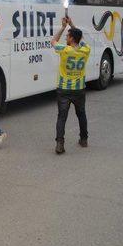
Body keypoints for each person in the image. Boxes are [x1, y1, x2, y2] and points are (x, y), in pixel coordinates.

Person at [50, 16, 91, 155]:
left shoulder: (65, 50)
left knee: (62, 117)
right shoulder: (85, 51)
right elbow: (82, 40)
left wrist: (63, 27)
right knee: (81, 114)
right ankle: (84, 139)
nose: (66, 37)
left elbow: (53, 41)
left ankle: (60, 144)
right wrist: (72, 25)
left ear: (72, 38)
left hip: (64, 90)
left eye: (68, 36)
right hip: (79, 89)